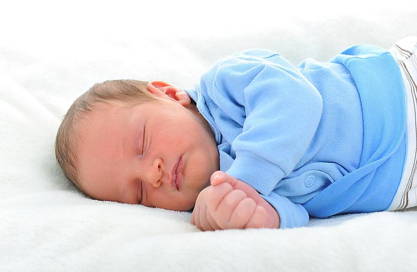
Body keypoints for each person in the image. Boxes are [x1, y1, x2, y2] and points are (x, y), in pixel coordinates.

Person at [55, 36, 417, 231]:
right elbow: (298, 215)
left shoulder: (225, 87)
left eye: (143, 143)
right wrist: (253, 215)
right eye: (138, 194)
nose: (153, 173)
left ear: (168, 94)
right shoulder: (215, 197)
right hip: (406, 182)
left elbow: (296, 98)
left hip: (401, 86)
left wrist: (247, 181)